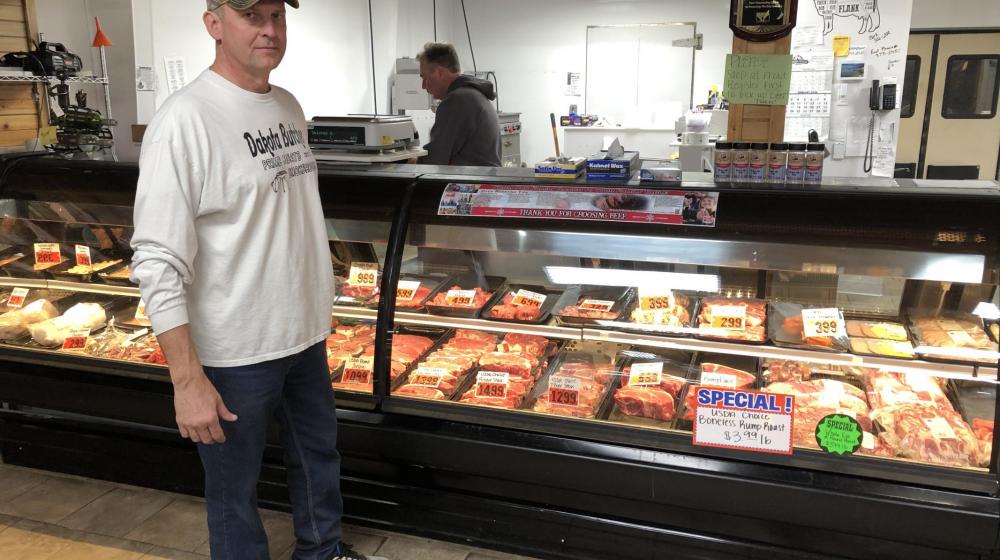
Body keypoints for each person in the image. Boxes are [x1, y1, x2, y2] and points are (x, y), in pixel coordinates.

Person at [130, 1, 385, 559]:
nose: (269, 29)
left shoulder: (288, 107)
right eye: (251, 15)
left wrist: (323, 304)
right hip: (233, 353)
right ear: (214, 24)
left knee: (319, 460)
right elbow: (155, 258)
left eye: (277, 15)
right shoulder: (185, 120)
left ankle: (321, 552)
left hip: (303, 335)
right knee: (233, 493)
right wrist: (186, 379)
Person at [417, 42, 501, 167]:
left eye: (424, 77)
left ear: (439, 72)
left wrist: (408, 163)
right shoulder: (472, 94)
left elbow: (435, 159)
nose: (423, 86)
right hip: (482, 179)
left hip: (471, 183)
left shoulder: (457, 101)